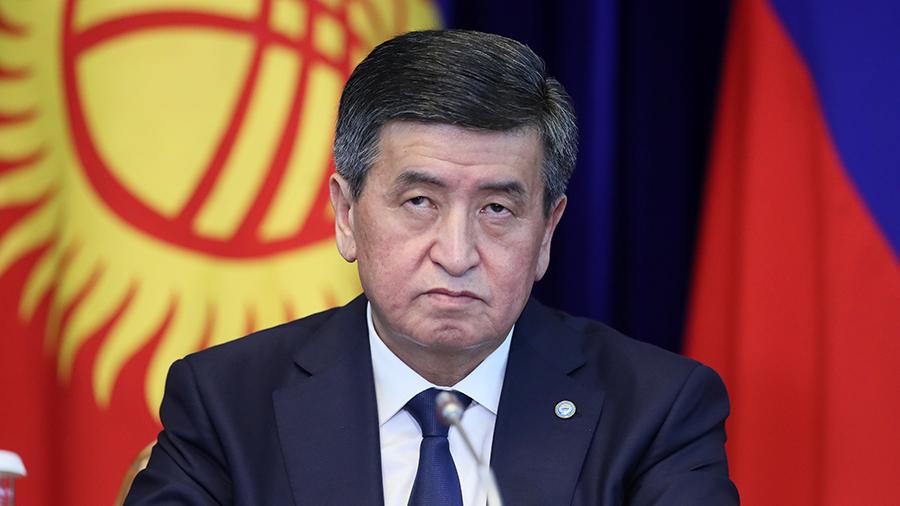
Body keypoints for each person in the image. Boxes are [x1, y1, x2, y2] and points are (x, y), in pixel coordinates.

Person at [126, 29, 738, 505]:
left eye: (497, 209)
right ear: (346, 214)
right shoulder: (227, 402)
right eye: (420, 201)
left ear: (547, 232)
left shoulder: (656, 411)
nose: (456, 253)